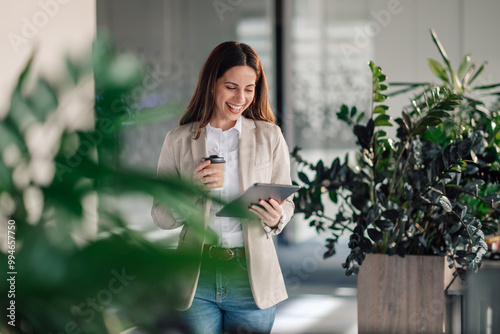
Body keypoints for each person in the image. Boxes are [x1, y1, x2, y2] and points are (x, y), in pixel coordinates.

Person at [151, 41, 294, 334]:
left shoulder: (270, 136)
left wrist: (277, 218)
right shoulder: (178, 140)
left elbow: (286, 202)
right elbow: (161, 217)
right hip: (196, 276)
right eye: (231, 87)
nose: (240, 98)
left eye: (249, 89)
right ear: (212, 85)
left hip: (251, 279)